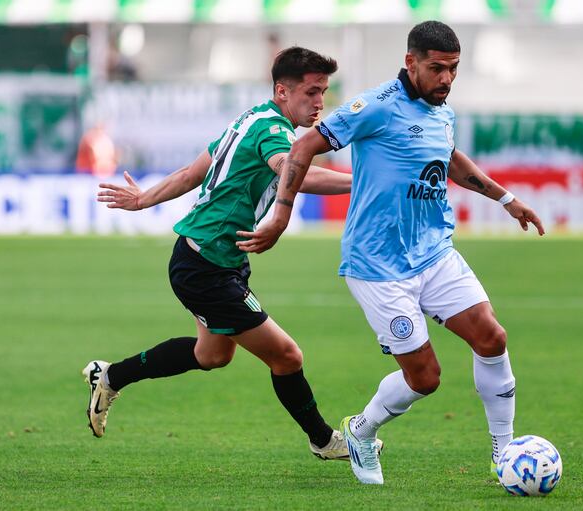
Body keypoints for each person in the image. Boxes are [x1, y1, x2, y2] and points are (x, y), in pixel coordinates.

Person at [237, 22, 545, 485]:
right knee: (425, 378)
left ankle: (504, 453)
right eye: (436, 68)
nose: (446, 79)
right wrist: (281, 214)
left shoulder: (442, 111)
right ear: (410, 62)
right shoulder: (375, 107)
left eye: (453, 69)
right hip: (378, 266)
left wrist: (505, 199)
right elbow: (303, 146)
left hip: (435, 252)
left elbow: (451, 156)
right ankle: (362, 430)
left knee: (492, 338)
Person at [84, 46, 381, 463]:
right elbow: (293, 171)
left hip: (210, 259)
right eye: (311, 92)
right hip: (206, 269)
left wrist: (144, 200)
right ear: (282, 91)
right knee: (287, 355)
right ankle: (323, 439)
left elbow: (194, 173)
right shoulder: (272, 131)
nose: (319, 103)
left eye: (323, 92)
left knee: (212, 355)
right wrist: (364, 181)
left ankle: (112, 375)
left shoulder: (251, 118)